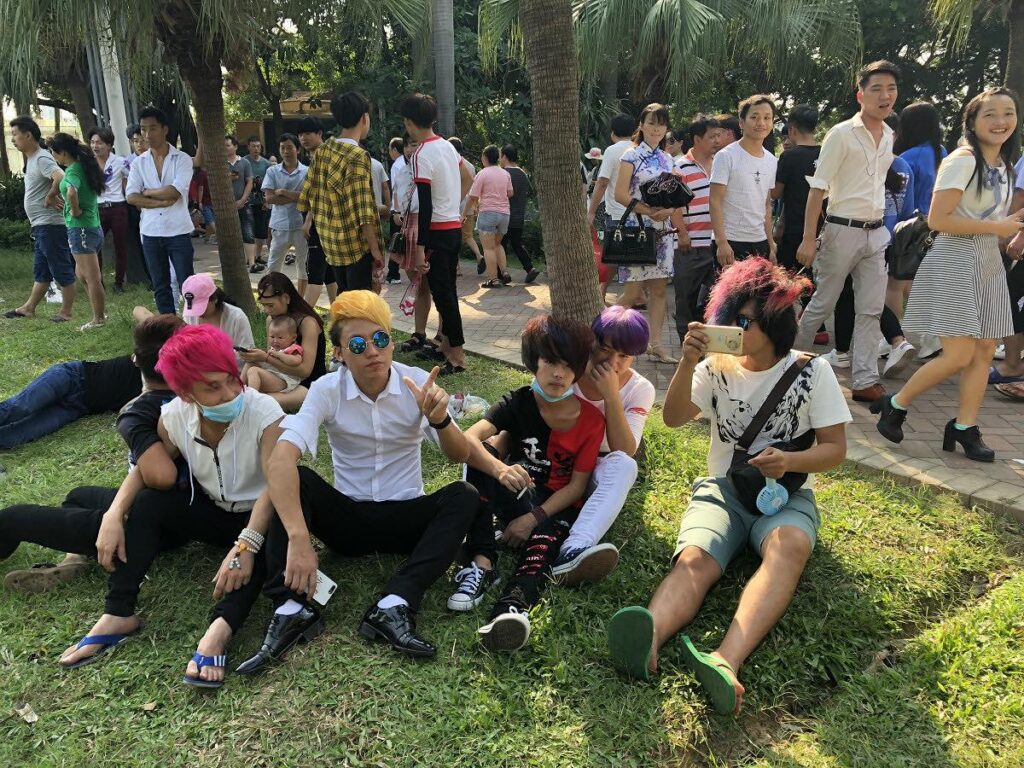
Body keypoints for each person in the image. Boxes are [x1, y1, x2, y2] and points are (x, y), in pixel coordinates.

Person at [607, 258, 851, 716]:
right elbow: (675, 418)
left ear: (775, 322)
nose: (733, 328)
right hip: (723, 490)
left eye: (744, 320)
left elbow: (835, 448)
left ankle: (726, 659)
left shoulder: (811, 372)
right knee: (695, 559)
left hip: (787, 495)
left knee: (789, 547)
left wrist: (790, 461)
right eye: (730, 316)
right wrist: (687, 361)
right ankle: (649, 636)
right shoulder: (715, 366)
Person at [2, 324, 285, 685]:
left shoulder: (263, 412)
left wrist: (246, 544)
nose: (231, 392)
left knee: (266, 543)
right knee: (146, 501)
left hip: (258, 514)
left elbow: (277, 485)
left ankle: (220, 628)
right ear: (184, 392)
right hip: (210, 511)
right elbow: (143, 472)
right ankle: (119, 612)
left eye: (232, 379)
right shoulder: (173, 416)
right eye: (213, 386)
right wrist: (114, 514)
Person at [235, 291, 482, 672]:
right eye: (358, 344)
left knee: (463, 495)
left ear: (392, 342)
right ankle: (292, 606)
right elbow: (282, 458)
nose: (373, 351)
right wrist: (300, 539)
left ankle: (395, 602)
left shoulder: (416, 382)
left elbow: (459, 454)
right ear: (338, 353)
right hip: (349, 523)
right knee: (295, 477)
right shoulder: (326, 390)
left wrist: (440, 419)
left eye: (380, 339)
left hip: (405, 519)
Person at [873, 88, 1024, 462]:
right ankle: (896, 402)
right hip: (955, 258)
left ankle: (964, 427)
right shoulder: (962, 159)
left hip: (988, 260)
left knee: (986, 349)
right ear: (971, 121)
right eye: (990, 114)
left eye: (1008, 113)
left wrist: (1005, 231)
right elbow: (939, 219)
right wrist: (998, 228)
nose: (1001, 121)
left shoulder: (1005, 165)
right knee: (958, 354)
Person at [1, 314, 182, 594]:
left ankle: (92, 543)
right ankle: (74, 559)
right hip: (170, 514)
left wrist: (116, 513)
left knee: (10, 518)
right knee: (78, 496)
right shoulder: (197, 398)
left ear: (136, 360)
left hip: (151, 521)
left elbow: (161, 477)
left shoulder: (140, 412)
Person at [453, 315, 604, 651]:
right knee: (482, 457)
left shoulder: (593, 420)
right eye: (550, 361)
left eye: (568, 365)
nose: (558, 374)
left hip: (555, 507)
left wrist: (532, 519)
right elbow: (469, 439)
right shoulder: (518, 401)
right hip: (517, 491)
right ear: (533, 361)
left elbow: (577, 487)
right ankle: (483, 561)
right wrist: (499, 469)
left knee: (542, 546)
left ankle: (509, 611)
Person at [792, 61, 901, 404]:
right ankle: (789, 365)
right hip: (841, 230)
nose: (885, 96)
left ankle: (865, 380)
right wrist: (809, 239)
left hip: (876, 233)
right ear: (860, 95)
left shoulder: (889, 136)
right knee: (823, 303)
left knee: (870, 309)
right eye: (876, 89)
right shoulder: (841, 134)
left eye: (891, 89)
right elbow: (817, 190)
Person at [551, 306, 654, 583]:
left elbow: (625, 448)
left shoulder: (640, 389)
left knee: (624, 465)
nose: (613, 362)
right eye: (605, 350)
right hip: (555, 461)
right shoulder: (568, 370)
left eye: (624, 356)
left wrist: (612, 397)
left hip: (598, 464)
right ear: (592, 343)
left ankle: (574, 549)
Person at [402, 93, 474, 375]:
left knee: (444, 296)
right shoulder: (446, 146)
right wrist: (453, 205)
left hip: (435, 233)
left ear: (409, 122)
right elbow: (468, 177)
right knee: (448, 293)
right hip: (453, 228)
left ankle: (457, 357)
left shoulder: (421, 154)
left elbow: (427, 205)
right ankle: (447, 346)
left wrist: (420, 248)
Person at [613, 103, 687, 365]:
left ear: (666, 128)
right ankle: (602, 333)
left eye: (661, 123)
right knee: (633, 293)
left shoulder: (668, 159)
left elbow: (672, 194)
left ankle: (655, 344)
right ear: (641, 125)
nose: (656, 128)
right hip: (639, 229)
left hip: (664, 232)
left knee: (658, 291)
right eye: (652, 122)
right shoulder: (630, 156)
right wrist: (647, 211)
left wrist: (668, 208)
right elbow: (620, 194)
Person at [298, 92, 384, 293]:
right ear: (365, 117)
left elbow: (309, 196)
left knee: (344, 299)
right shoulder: (357, 156)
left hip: (331, 245)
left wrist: (310, 219)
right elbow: (363, 211)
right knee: (360, 307)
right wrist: (375, 251)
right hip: (356, 248)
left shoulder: (323, 151)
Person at [3, 116, 75, 323]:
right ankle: (28, 308)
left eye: (15, 135)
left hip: (50, 225)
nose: (13, 139)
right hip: (41, 225)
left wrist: (51, 195)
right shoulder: (34, 158)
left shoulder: (42, 157)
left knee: (60, 267)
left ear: (28, 135)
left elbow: (61, 177)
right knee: (42, 271)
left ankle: (66, 312)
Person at [125, 106, 195, 315]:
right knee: (160, 284)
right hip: (151, 231)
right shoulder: (139, 163)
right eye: (144, 129)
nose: (148, 134)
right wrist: (158, 202)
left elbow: (174, 192)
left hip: (178, 230)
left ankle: (194, 323)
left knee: (187, 283)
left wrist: (147, 192)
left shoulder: (181, 158)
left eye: (153, 128)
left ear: (164, 129)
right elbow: (131, 196)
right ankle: (167, 325)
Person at [893, 101, 949, 361]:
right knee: (923, 284)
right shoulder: (943, 152)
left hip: (911, 227)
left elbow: (902, 199)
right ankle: (931, 336)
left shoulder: (907, 157)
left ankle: (895, 338)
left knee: (897, 284)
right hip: (940, 227)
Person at [0, 350, 142, 450]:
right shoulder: (148, 353)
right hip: (72, 377)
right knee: (19, 407)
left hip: (77, 408)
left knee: (20, 434)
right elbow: (139, 311)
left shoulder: (159, 392)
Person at [709, 95, 779, 267]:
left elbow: (766, 205)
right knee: (727, 294)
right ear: (742, 122)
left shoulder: (771, 160)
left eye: (767, 118)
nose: (761, 122)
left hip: (759, 241)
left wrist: (770, 242)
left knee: (758, 294)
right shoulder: (726, 156)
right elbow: (714, 201)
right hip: (731, 241)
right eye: (754, 117)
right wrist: (721, 242)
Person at [47, 133, 107, 330]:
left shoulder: (73, 171)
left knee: (91, 277)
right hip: (88, 227)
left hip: (81, 228)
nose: (54, 157)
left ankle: (98, 319)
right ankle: (99, 313)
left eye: (54, 153)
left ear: (62, 152)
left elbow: (72, 191)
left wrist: (75, 210)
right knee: (81, 274)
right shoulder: (83, 166)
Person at [244, 272, 327, 412]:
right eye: (264, 305)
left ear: (286, 298)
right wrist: (259, 358)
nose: (266, 310)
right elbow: (274, 357)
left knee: (259, 403)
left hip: (307, 384)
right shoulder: (271, 320)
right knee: (250, 371)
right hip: (281, 378)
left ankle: (246, 400)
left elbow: (305, 371)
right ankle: (238, 392)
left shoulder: (308, 323)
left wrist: (266, 358)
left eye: (270, 305)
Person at [673, 115, 721, 340]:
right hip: (689, 244)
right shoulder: (680, 167)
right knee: (686, 299)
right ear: (697, 139)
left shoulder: (722, 164)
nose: (717, 140)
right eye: (712, 136)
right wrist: (682, 233)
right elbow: (673, 204)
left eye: (719, 135)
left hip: (715, 243)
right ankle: (687, 346)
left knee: (713, 297)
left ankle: (707, 344)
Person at [773, 104, 820, 272]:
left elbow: (776, 192)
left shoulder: (789, 156)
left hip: (794, 229)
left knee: (790, 279)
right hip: (822, 229)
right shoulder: (825, 153)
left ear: (792, 129)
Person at [295, 117, 336, 307]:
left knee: (315, 271)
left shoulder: (324, 157)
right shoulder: (315, 157)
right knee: (329, 273)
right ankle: (338, 311)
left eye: (307, 134)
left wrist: (308, 219)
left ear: (319, 134)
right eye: (300, 134)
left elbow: (320, 193)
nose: (303, 138)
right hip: (325, 223)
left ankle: (302, 315)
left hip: (321, 223)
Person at [263, 133, 309, 295]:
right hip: (279, 224)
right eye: (282, 148)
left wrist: (283, 192)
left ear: (298, 149)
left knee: (303, 266)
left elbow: (308, 199)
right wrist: (296, 196)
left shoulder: (307, 172)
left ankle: (300, 299)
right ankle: (273, 296)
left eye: (289, 147)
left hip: (301, 225)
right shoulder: (272, 171)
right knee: (274, 265)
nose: (286, 151)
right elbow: (270, 198)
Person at [87, 126, 130, 292]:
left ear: (109, 145)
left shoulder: (120, 162)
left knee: (121, 246)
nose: (95, 146)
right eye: (92, 142)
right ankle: (98, 282)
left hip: (118, 207)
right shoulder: (89, 164)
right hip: (97, 208)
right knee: (95, 246)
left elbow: (129, 182)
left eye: (99, 143)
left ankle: (119, 283)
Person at [464, 144, 513, 287]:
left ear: (484, 158)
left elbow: (473, 196)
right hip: (504, 214)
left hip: (488, 213)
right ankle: (504, 272)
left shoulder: (483, 173)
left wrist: (464, 213)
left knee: (488, 248)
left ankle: (493, 279)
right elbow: (510, 193)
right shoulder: (505, 173)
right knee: (497, 244)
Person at [176, 272, 255, 351]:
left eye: (201, 308)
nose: (197, 313)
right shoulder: (190, 315)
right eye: (193, 308)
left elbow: (247, 351)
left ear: (214, 299)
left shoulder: (237, 318)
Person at [500, 145, 541, 284]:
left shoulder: (503, 173)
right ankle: (530, 269)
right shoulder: (522, 173)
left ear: (504, 156)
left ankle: (502, 273)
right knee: (517, 244)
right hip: (518, 216)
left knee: (501, 244)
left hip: (504, 215)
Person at [242, 315, 304, 394]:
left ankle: (252, 398)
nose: (275, 340)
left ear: (293, 338)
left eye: (280, 338)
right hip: (272, 374)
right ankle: (238, 389)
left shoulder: (293, 348)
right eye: (272, 337)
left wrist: (278, 355)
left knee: (254, 371)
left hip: (284, 380)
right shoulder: (275, 348)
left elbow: (296, 361)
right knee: (250, 364)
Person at [449, 137, 484, 271]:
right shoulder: (469, 165)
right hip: (468, 205)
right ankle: (479, 255)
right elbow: (473, 187)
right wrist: (475, 205)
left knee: (452, 236)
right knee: (468, 236)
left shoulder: (451, 163)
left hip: (454, 206)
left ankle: (455, 267)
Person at [224, 135, 257, 270]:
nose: (225, 148)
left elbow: (250, 181)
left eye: (227, 145)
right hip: (226, 206)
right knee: (230, 235)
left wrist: (243, 199)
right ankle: (236, 263)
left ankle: (252, 263)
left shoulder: (244, 162)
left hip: (244, 204)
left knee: (248, 232)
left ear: (235, 146)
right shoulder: (219, 164)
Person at [246, 136, 272, 268]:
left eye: (258, 146)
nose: (256, 149)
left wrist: (268, 201)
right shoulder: (244, 162)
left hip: (262, 202)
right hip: (247, 202)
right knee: (248, 231)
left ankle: (258, 256)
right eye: (253, 146)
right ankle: (249, 257)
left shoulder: (266, 164)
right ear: (248, 147)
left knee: (261, 231)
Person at [385, 136, 406, 284]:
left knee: (395, 241)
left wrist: (395, 210)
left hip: (398, 210)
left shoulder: (396, 165)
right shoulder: (406, 163)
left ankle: (393, 274)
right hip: (407, 209)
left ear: (394, 150)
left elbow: (396, 189)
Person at [188, 165, 216, 242]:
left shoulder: (202, 174)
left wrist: (199, 201)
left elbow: (201, 188)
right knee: (209, 220)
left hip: (205, 200)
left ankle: (219, 236)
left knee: (209, 219)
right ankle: (207, 237)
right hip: (213, 199)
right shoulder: (212, 173)